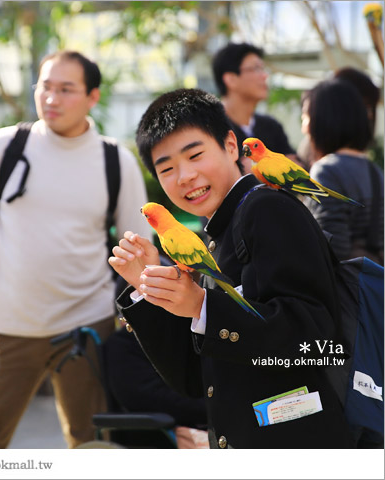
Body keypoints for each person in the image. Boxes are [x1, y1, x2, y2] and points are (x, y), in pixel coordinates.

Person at [109, 88, 354, 448]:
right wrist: (150, 291)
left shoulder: (266, 209)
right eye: (167, 169)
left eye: (195, 155)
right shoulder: (217, 237)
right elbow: (193, 379)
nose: (185, 176)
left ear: (229, 145)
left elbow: (313, 336)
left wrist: (201, 306)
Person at [0, 50, 151, 448]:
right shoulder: (4, 146)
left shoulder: (116, 160)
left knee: (91, 441)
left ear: (93, 96)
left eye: (66, 89)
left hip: (86, 323)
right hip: (7, 326)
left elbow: (140, 246)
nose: (52, 98)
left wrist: (140, 316)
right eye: (45, 86)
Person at [303, 78, 384, 264]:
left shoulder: (326, 171)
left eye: (306, 117)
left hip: (345, 287)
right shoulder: (374, 170)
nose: (304, 127)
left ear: (322, 121)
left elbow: (333, 247)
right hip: (374, 283)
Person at [212, 42, 297, 170]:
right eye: (256, 69)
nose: (264, 76)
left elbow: (295, 166)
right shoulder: (211, 128)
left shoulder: (271, 126)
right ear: (231, 79)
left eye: (263, 69)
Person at [298, 66, 381, 167]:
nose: (368, 115)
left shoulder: (367, 166)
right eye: (363, 106)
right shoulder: (314, 149)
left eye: (369, 108)